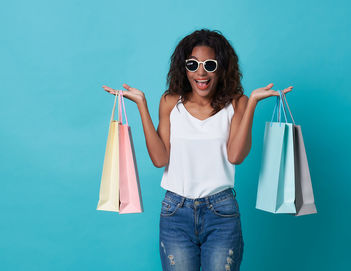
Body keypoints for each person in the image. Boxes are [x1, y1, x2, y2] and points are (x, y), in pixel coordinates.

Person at [103, 28, 293, 271]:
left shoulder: (237, 103)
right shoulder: (170, 102)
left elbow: (236, 155)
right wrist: (142, 104)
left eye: (210, 65)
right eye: (193, 64)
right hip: (175, 212)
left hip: (221, 213)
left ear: (222, 68)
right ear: (184, 68)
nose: (200, 72)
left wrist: (252, 102)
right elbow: (160, 159)